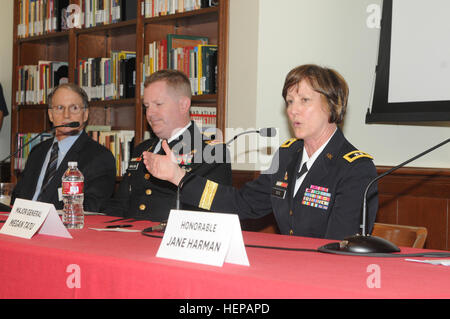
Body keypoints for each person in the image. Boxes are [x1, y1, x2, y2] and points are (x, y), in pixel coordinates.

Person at [142, 64, 378, 240]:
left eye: (304, 100)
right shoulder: (287, 156)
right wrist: (178, 177)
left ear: (333, 105)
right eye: (289, 101)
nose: (293, 110)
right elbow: (240, 203)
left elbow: (341, 245)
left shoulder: (355, 168)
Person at [100, 69, 232, 221]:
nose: (150, 113)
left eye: (158, 104)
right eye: (147, 106)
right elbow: (120, 205)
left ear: (183, 105)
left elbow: (210, 214)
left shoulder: (211, 151)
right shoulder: (142, 149)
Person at [11, 83, 116, 211]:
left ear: (85, 114)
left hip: (63, 228)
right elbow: (17, 197)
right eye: (60, 108)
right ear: (50, 115)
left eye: (74, 108)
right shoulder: (37, 151)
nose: (66, 115)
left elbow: (92, 208)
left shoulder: (99, 157)